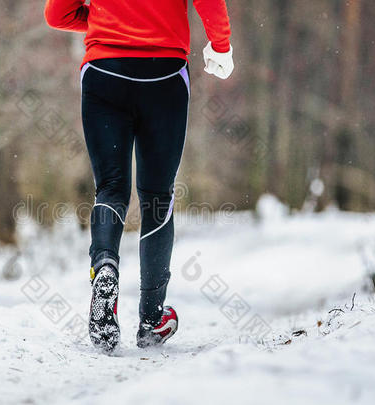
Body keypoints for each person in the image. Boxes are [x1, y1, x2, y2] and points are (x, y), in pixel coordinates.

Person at [44, 0, 234, 352]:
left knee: (111, 189)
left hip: (104, 72)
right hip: (164, 75)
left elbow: (58, 14)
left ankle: (104, 266)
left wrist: (109, 20)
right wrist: (220, 45)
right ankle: (152, 318)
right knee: (158, 196)